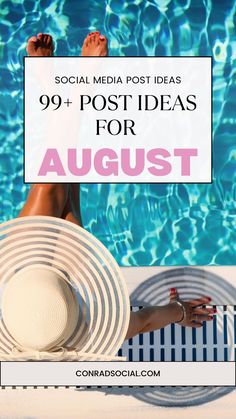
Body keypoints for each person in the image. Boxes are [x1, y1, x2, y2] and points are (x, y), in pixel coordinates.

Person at [23, 32, 216, 341]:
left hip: (28, 282)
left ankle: (59, 87)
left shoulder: (81, 333)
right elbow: (144, 320)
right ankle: (62, 85)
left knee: (58, 180)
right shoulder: (88, 331)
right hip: (53, 286)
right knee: (58, 182)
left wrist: (178, 311)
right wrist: (178, 311)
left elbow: (147, 319)